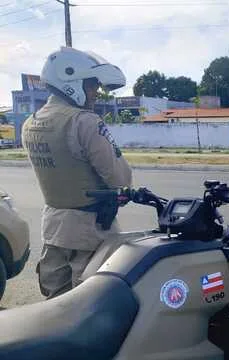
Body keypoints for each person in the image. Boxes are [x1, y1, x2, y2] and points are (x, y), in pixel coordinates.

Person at [21, 47, 132, 299]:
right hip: (91, 234)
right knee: (93, 309)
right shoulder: (85, 122)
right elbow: (121, 180)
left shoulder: (30, 123)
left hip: (53, 231)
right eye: (91, 85)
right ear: (70, 81)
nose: (95, 92)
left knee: (55, 309)